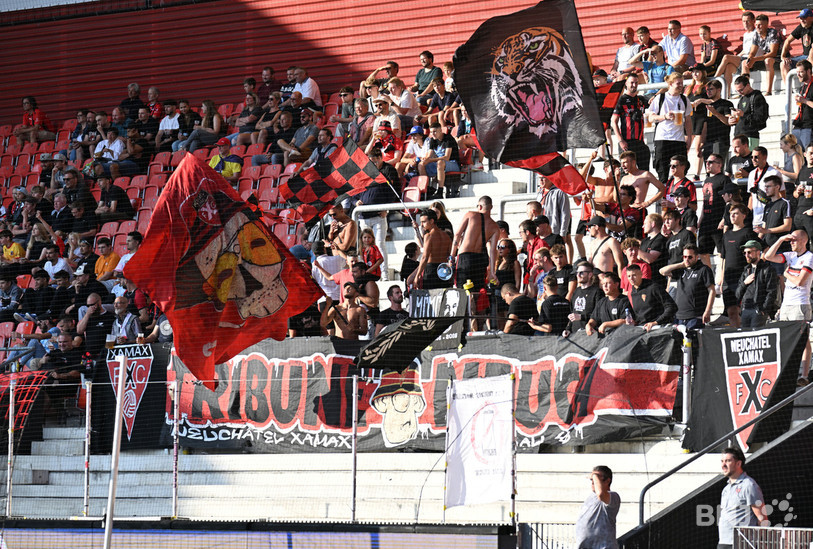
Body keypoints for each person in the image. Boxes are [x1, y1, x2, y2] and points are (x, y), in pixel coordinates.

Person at [763, 229, 813, 385]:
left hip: (800, 304)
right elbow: (768, 256)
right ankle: (786, 373)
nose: (791, 243)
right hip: (786, 304)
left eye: (794, 240)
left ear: (804, 241)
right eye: (790, 240)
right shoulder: (790, 256)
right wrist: (780, 240)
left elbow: (800, 282)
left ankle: (804, 374)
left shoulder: (809, 257)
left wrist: (786, 274)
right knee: (785, 339)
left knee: (803, 340)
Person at [452, 196, 500, 330]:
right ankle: (478, 328)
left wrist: (451, 257)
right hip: (480, 260)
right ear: (491, 208)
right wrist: (492, 272)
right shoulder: (495, 226)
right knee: (479, 294)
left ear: (479, 206)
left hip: (465, 258)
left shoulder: (470, 215)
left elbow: (457, 235)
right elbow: (493, 251)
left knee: (464, 293)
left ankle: (466, 327)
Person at [647, 73, 693, 183]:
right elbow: (650, 117)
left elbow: (688, 120)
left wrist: (689, 137)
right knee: (662, 169)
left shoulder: (684, 99)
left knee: (681, 170)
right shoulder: (660, 98)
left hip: (679, 139)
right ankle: (663, 196)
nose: (681, 85)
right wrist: (664, 116)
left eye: (682, 83)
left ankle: (678, 194)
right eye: (678, 83)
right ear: (671, 84)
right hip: (663, 138)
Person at [718, 447, 766, 549]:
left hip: (741, 543)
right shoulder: (726, 489)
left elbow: (762, 518)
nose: (723, 465)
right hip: (724, 542)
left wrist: (761, 543)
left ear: (738, 464)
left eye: (728, 461)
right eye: (722, 461)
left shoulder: (749, 485)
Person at [719, 204, 757, 328]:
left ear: (743, 216)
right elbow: (723, 257)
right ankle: (737, 334)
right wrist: (721, 277)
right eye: (731, 214)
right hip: (728, 279)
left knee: (746, 310)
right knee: (731, 311)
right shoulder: (726, 235)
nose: (732, 216)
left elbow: (761, 251)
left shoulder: (748, 232)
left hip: (743, 277)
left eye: (735, 213)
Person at [661, 243, 715, 330]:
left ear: (697, 257)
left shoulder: (704, 269)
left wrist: (707, 311)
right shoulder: (681, 270)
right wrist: (681, 264)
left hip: (695, 315)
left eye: (690, 257)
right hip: (679, 315)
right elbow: (662, 271)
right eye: (684, 257)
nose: (687, 259)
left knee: (693, 342)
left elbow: (712, 291)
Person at [574, 466, 621, 549]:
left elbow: (601, 494)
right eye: (591, 479)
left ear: (607, 481)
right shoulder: (590, 497)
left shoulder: (613, 496)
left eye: (597, 478)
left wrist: (594, 475)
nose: (593, 482)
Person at [736, 240, 779, 329]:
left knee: (755, 336)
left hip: (758, 310)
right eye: (744, 253)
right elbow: (737, 293)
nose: (746, 255)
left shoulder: (767, 269)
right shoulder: (746, 270)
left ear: (758, 252)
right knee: (745, 337)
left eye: (749, 252)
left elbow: (772, 291)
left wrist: (764, 309)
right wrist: (745, 283)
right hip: (745, 309)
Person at [406, 210, 452, 291]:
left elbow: (425, 257)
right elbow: (450, 255)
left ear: (431, 221)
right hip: (443, 271)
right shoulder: (446, 236)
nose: (422, 225)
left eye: (424, 222)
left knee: (431, 300)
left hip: (431, 272)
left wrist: (418, 275)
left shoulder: (429, 236)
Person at [611, 74, 650, 170]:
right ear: (626, 83)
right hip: (626, 143)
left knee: (644, 173)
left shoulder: (641, 99)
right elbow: (613, 121)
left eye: (636, 82)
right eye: (632, 82)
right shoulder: (621, 100)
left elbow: (654, 102)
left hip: (640, 143)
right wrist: (621, 141)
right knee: (626, 173)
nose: (634, 85)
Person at [627, 264, 677, 331]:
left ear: (641, 274)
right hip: (642, 329)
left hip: (659, 328)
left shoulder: (653, 287)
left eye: (634, 275)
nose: (631, 278)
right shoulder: (632, 291)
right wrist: (633, 321)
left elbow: (672, 307)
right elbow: (640, 315)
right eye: (629, 276)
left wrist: (656, 322)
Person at [716, 11, 757, 90]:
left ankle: (714, 80)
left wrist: (733, 58)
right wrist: (736, 57)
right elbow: (744, 50)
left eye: (747, 21)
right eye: (744, 21)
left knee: (726, 57)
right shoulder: (745, 34)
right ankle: (727, 93)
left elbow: (752, 51)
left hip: (752, 60)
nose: (745, 23)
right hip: (743, 59)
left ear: (753, 21)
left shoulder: (756, 33)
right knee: (728, 67)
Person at [419, 122, 461, 199]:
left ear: (440, 130)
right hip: (440, 163)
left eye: (435, 131)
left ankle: (440, 191)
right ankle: (427, 189)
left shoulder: (448, 139)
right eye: (431, 132)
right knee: (421, 165)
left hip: (453, 163)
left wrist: (431, 160)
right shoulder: (432, 140)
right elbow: (429, 155)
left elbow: (446, 157)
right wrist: (425, 160)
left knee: (440, 162)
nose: (433, 134)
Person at [741, 14, 781, 95]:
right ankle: (744, 91)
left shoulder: (772, 32)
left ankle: (768, 91)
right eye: (756, 25)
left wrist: (755, 59)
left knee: (768, 60)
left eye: (760, 25)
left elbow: (773, 53)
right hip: (765, 59)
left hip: (778, 59)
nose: (757, 27)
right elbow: (752, 52)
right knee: (744, 62)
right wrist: (750, 59)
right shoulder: (756, 35)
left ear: (766, 25)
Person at [730, 76, 769, 149]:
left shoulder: (757, 97)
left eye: (741, 90)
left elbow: (760, 117)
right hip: (738, 135)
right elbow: (741, 117)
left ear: (748, 85)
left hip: (750, 135)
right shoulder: (742, 98)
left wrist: (743, 114)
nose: (739, 92)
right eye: (737, 91)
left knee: (750, 159)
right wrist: (734, 119)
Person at [747, 146, 781, 226]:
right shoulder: (752, 174)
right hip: (756, 218)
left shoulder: (774, 172)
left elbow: (782, 194)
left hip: (770, 216)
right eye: (751, 157)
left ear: (765, 157)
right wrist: (748, 212)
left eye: (756, 157)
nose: (753, 159)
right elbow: (752, 196)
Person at [781, 9, 813, 87]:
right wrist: (783, 56)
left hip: (811, 58)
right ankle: (788, 89)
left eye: (804, 18)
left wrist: (810, 60)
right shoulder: (801, 27)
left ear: (811, 17)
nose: (802, 20)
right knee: (783, 64)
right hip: (804, 57)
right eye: (800, 18)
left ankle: (811, 85)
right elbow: (787, 41)